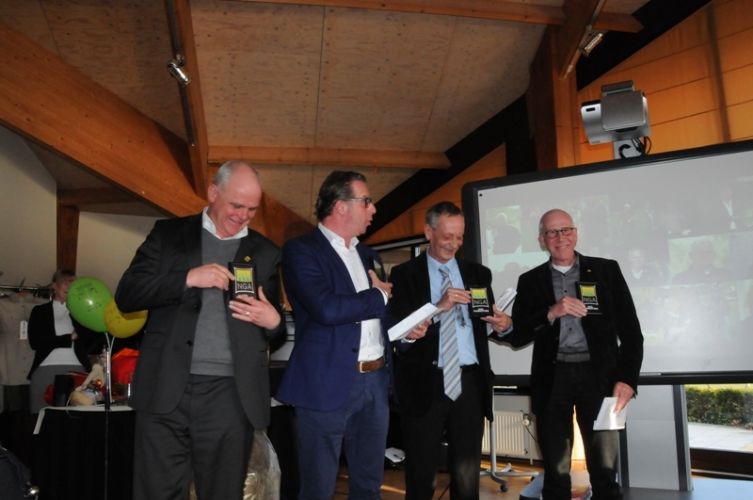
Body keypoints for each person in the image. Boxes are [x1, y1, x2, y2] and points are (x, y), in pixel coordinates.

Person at [115, 161, 285, 500]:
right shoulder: (167, 234)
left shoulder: (265, 252)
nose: (243, 216)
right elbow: (127, 294)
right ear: (213, 192)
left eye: (252, 209)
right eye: (236, 205)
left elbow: (274, 329)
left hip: (230, 395)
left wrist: (274, 322)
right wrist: (188, 278)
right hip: (165, 387)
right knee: (156, 492)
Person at [503, 208, 643, 500]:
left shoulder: (606, 271)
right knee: (556, 473)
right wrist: (551, 312)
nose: (560, 237)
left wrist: (628, 379)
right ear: (542, 240)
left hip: (601, 380)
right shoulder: (530, 280)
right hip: (553, 380)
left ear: (576, 233)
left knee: (605, 472)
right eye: (552, 232)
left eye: (565, 230)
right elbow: (519, 335)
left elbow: (631, 333)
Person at [276, 170, 393, 499]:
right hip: (325, 383)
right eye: (366, 201)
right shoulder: (301, 251)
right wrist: (379, 296)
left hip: (375, 382)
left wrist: (407, 331)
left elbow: (378, 315)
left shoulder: (369, 255)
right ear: (341, 206)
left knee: (369, 485)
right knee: (318, 487)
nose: (373, 209)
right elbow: (326, 308)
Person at [388, 201, 512, 499]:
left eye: (459, 237)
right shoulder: (404, 274)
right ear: (428, 232)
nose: (454, 244)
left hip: (469, 382)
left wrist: (503, 324)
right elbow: (399, 332)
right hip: (425, 382)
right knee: (421, 475)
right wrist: (439, 307)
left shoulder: (478, 274)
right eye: (447, 236)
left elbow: (484, 323)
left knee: (467, 476)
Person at [27, 269, 102, 413]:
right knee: (41, 417)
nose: (69, 287)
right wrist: (68, 338)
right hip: (45, 370)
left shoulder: (82, 312)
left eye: (73, 284)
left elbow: (93, 343)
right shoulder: (40, 311)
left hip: (76, 370)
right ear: (54, 286)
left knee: (75, 418)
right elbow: (35, 342)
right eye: (65, 283)